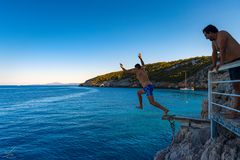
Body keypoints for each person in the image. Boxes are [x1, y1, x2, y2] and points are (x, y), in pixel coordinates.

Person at [203, 24, 240, 118]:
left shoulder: (222, 34)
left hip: (238, 61)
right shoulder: (213, 42)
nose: (206, 38)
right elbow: (214, 53)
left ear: (210, 32)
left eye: (206, 35)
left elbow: (222, 48)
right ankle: (235, 111)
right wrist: (214, 64)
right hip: (233, 64)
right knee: (237, 87)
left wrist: (222, 62)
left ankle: (235, 112)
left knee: (238, 88)